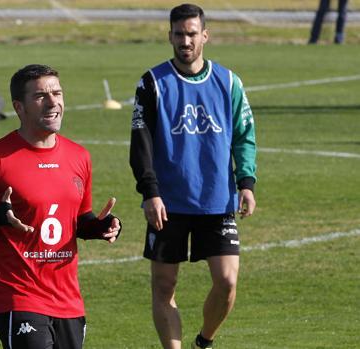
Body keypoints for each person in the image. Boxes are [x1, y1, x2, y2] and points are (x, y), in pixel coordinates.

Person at [0, 64, 122, 349]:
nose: (53, 102)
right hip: (19, 295)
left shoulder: (79, 157)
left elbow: (78, 220)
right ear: (19, 107)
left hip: (68, 299)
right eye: (41, 96)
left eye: (57, 93)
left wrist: (101, 227)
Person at [129, 4, 257, 349]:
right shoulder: (153, 83)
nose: (185, 41)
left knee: (227, 282)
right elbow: (140, 143)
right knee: (164, 286)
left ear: (205, 35)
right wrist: (150, 192)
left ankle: (204, 340)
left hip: (217, 199)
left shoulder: (229, 82)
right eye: (178, 34)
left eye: (191, 33)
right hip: (168, 203)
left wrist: (246, 182)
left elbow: (244, 134)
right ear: (170, 36)